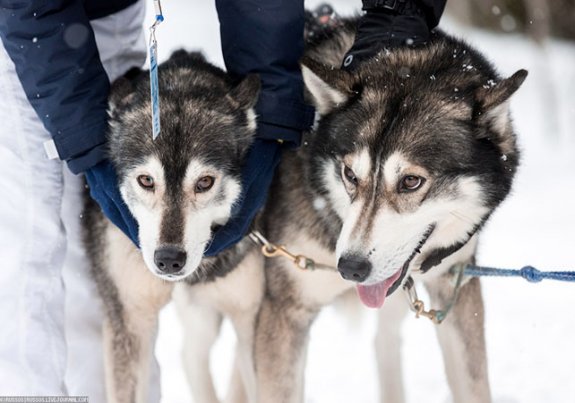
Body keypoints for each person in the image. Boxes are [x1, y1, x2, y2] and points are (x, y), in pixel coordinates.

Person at [0, 0, 445, 399]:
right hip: (24, 31)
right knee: (28, 257)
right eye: (148, 186)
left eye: (204, 185)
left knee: (86, 285)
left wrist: (271, 122)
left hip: (112, 14)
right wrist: (88, 150)